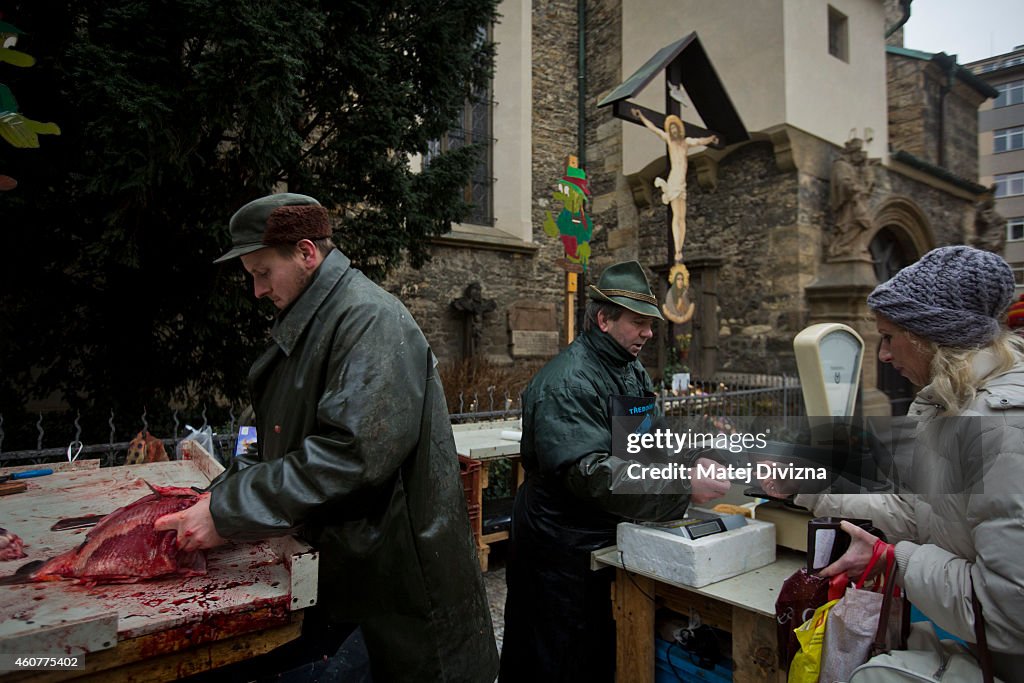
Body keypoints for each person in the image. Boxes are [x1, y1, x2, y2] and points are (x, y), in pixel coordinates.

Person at [155, 193, 498, 682]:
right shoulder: (307, 319)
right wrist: (225, 491)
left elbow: (352, 455)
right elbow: (258, 429)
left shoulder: (369, 320)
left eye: (261, 272)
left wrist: (230, 511)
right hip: (344, 570)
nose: (256, 290)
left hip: (393, 580)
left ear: (306, 252)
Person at [766, 246, 1024, 680]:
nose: (883, 355)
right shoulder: (947, 407)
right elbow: (913, 511)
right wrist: (807, 487)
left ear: (929, 335)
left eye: (889, 336)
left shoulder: (1001, 430)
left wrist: (894, 559)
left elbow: (1006, 612)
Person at [498, 260, 730, 682]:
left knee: (601, 648)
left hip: (603, 534)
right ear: (604, 319)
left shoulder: (628, 368)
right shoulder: (567, 383)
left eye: (650, 324)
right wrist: (680, 487)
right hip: (560, 545)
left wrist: (690, 459)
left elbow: (647, 439)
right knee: (555, 653)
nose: (647, 333)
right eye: (638, 323)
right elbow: (592, 474)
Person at [633, 109, 718, 262]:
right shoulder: (669, 141)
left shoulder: (686, 143)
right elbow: (654, 129)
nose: (673, 131)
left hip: (682, 183)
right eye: (671, 129)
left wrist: (711, 139)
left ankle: (679, 249)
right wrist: (641, 117)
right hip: (674, 180)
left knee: (681, 218)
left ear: (679, 130)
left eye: (675, 129)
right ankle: (677, 250)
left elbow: (700, 141)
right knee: (675, 217)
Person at [827, 138, 874, 259]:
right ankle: (841, 246)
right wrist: (856, 188)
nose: (860, 156)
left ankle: (853, 246)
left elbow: (868, 183)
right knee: (855, 222)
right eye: (858, 152)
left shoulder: (853, 167)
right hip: (849, 202)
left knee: (861, 223)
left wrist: (866, 169)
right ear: (851, 153)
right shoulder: (841, 165)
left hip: (856, 200)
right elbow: (843, 182)